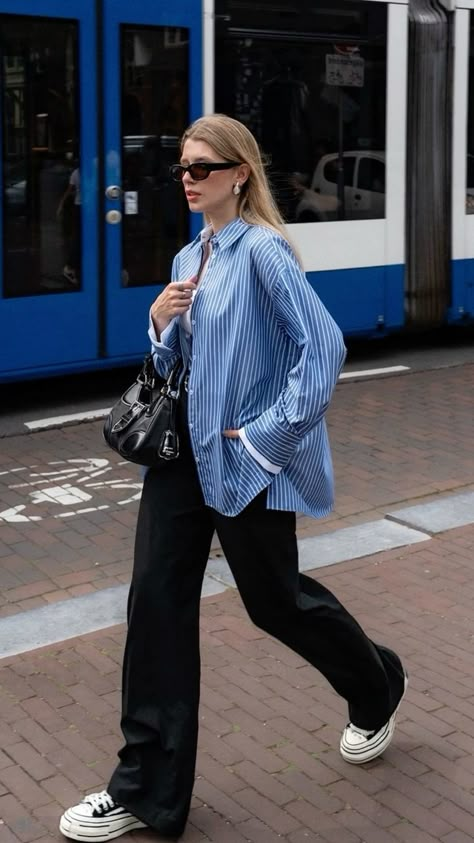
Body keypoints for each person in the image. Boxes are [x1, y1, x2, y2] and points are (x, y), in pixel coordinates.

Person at [59, 114, 407, 841]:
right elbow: (175, 371)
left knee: (276, 602)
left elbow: (324, 349)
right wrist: (158, 325)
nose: (188, 180)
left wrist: (264, 436)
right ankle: (144, 788)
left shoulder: (264, 253)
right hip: (181, 460)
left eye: (202, 168)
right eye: (182, 169)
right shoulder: (193, 255)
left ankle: (376, 682)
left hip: (244, 461)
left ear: (240, 173)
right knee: (154, 604)